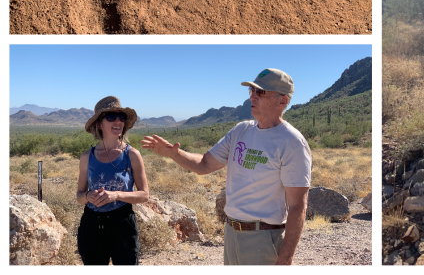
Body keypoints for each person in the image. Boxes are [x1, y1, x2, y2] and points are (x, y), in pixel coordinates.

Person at [141, 68, 311, 266]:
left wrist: (286, 257)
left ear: (282, 101)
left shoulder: (292, 142)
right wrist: (174, 153)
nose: (253, 97)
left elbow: (298, 205)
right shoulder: (241, 130)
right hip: (231, 232)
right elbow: (204, 165)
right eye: (252, 91)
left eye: (260, 92)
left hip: (264, 237)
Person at [76, 96, 150, 266]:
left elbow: (144, 195)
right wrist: (89, 195)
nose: (117, 121)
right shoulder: (87, 156)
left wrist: (115, 195)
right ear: (100, 124)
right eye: (111, 117)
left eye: (121, 117)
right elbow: (79, 197)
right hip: (92, 224)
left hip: (122, 223)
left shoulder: (132, 155)